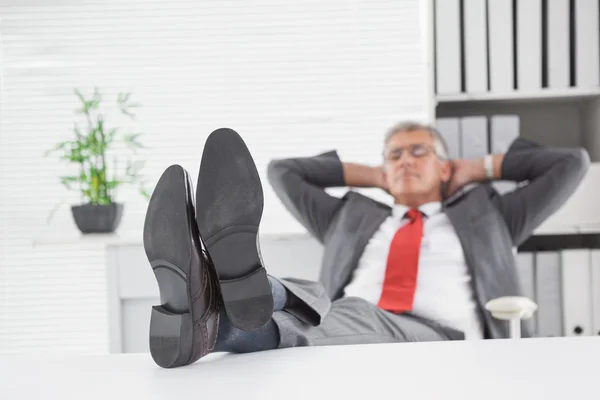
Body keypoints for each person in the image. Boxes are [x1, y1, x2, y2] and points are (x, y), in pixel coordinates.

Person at [142, 123, 589, 368]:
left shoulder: (489, 217)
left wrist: (476, 167)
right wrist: (377, 177)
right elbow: (283, 172)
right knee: (316, 302)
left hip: (442, 339)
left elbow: (571, 164)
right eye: (394, 155)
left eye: (419, 152)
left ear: (446, 167)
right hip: (340, 319)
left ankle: (220, 293)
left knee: (345, 308)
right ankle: (215, 325)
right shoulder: (352, 217)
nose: (405, 161)